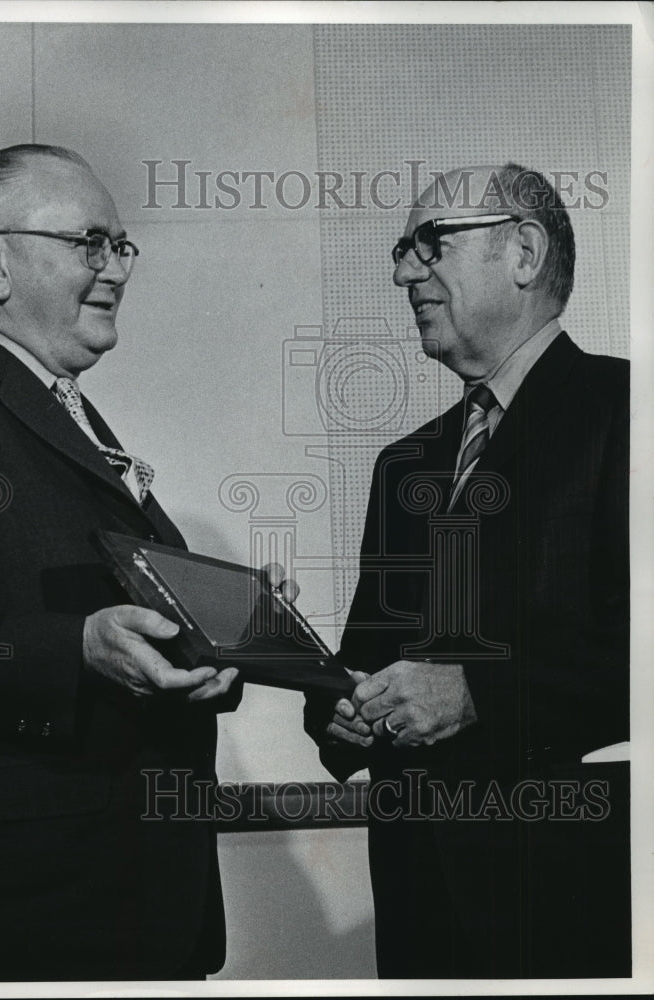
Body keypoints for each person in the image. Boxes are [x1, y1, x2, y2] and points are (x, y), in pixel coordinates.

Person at [0, 143, 284, 982]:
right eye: (88, 243)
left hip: (133, 906)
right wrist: (73, 649)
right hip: (16, 922)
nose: (115, 269)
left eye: (120, 246)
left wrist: (228, 632)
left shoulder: (71, 420)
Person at [306, 163, 630, 978]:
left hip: (576, 905)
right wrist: (337, 708)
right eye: (402, 249)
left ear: (523, 252)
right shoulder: (401, 464)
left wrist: (478, 693)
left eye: (430, 243)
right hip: (422, 905)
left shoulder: (629, 413)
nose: (401, 270)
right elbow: (366, 660)